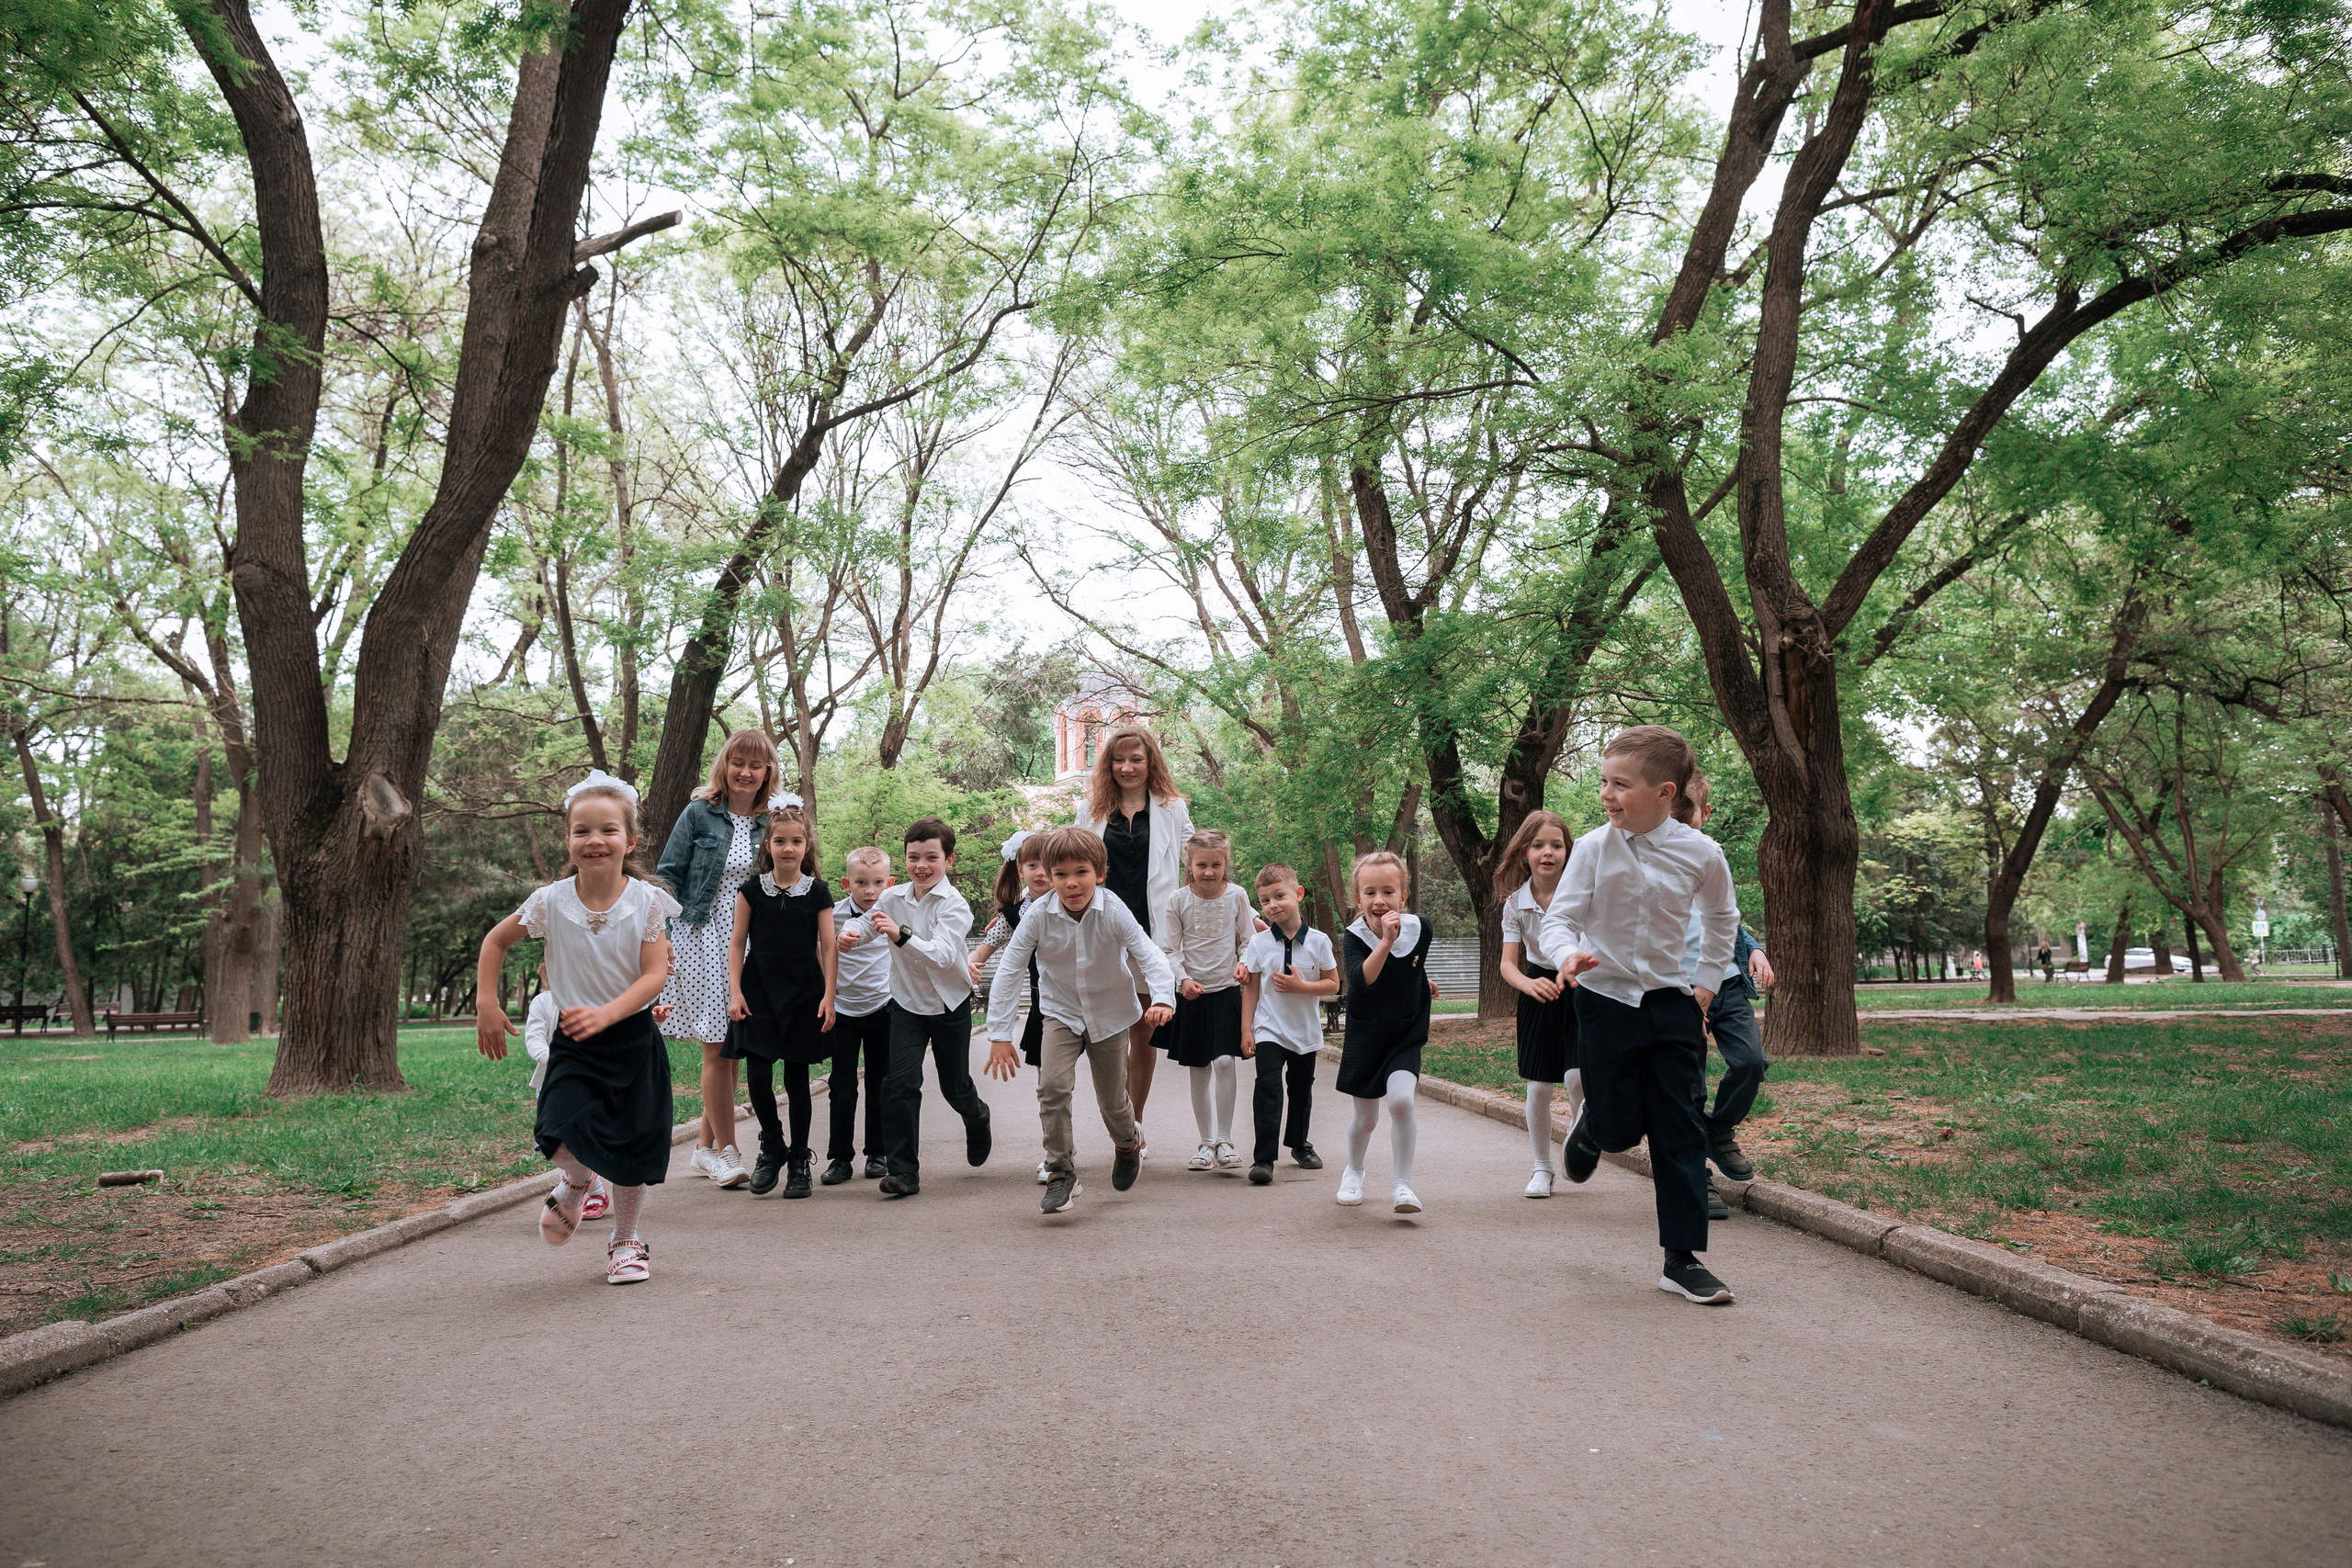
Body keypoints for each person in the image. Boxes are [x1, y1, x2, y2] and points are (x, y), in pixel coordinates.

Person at [1544, 725, 1739, 1306]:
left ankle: (1681, 1259)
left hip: (1672, 1003)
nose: (1606, 794)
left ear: (1664, 791)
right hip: (1604, 1001)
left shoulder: (1702, 853)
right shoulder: (1593, 849)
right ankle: (1596, 1126)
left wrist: (1706, 983)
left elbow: (1723, 919)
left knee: (1681, 1127)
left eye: (1620, 785)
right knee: (1624, 1126)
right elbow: (1559, 919)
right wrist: (1566, 955)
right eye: (1603, 781)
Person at [476, 771, 679, 1286]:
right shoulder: (550, 901)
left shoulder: (647, 902)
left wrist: (611, 1012)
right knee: (555, 1129)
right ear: (568, 840)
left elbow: (656, 973)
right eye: (582, 831)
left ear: (629, 840)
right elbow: (495, 942)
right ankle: (579, 1178)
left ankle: (626, 1241)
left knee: (633, 1149)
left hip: (632, 1042)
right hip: (575, 1042)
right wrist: (485, 1000)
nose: (595, 841)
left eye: (608, 830)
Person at [982, 827, 1173, 1215]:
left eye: (1081, 873)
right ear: (1049, 878)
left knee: (1112, 1102)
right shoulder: (1037, 914)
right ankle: (1060, 1170)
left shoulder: (1114, 909)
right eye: (1061, 875)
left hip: (1110, 1013)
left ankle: (1127, 1143)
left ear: (1099, 873)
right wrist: (999, 1033)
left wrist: (1164, 998)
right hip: (1061, 1012)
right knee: (1052, 1088)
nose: (1071, 884)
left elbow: (1149, 954)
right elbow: (1010, 968)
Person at [654, 728, 782, 1190]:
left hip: (753, 937)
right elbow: (667, 877)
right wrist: (660, 937)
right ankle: (728, 1152)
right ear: (724, 766)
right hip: (702, 934)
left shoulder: (775, 819)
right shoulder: (699, 814)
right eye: (738, 763)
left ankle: (704, 1150)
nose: (746, 772)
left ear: (768, 771)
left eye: (756, 765)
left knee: (734, 1048)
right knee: (717, 1045)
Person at [1073, 725, 1193, 1156]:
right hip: (1101, 933)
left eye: (1136, 759)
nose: (1127, 767)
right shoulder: (1090, 809)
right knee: (1107, 1037)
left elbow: (1199, 865)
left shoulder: (1173, 809)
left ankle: (1133, 1131)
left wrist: (1248, 913)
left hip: (1150, 935)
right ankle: (1116, 1124)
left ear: (1150, 763)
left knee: (1144, 1032)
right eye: (1118, 760)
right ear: (1108, 765)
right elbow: (1071, 864)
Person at [868, 817, 991, 1197]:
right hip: (906, 1004)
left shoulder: (955, 906)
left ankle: (977, 1115)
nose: (921, 866)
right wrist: (848, 936)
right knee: (900, 1083)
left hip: (949, 1003)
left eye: (931, 858)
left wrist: (901, 934)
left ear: (948, 860)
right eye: (913, 857)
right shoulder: (892, 897)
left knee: (954, 1087)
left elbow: (940, 955)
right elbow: (866, 922)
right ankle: (904, 1172)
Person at [1668, 774, 1774, 1214]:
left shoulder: (1712, 854)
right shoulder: (1649, 855)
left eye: (1683, 811)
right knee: (1687, 1085)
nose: (1674, 820)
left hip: (1724, 980)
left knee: (1751, 1061)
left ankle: (1719, 1130)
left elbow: (1722, 916)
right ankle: (1698, 1179)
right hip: (1675, 986)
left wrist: (1754, 949)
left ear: (1704, 813)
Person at [724, 796, 837, 1199]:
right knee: (757, 1071)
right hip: (758, 990)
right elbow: (737, 944)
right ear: (767, 845)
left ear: (806, 847)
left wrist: (829, 995)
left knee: (797, 1078)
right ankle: (772, 1144)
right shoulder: (752, 890)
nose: (788, 849)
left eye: (796, 842)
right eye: (780, 841)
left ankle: (799, 1160)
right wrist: (734, 991)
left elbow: (828, 946)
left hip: (804, 991)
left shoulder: (818, 892)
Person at [1334, 851, 1440, 1214]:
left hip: (1405, 1033)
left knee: (1401, 1102)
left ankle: (1403, 1185)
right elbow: (1362, 983)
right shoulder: (1353, 938)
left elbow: (1411, 968)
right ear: (1358, 898)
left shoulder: (1421, 927)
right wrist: (1386, 942)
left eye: (1388, 892)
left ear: (1403, 897)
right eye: (1370, 893)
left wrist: (1422, 982)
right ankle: (1354, 1170)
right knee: (1365, 1120)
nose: (1379, 901)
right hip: (1366, 1037)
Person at [1161, 829, 1257, 1172]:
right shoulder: (1178, 900)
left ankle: (1225, 1139)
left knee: (1226, 1063)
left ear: (1225, 863)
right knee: (1199, 1067)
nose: (1209, 872)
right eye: (1202, 865)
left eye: (1216, 864)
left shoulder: (1237, 896)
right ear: (1189, 863)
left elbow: (1249, 939)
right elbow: (1170, 949)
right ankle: (1204, 1143)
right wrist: (1182, 979)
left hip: (1226, 991)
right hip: (1193, 994)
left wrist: (1244, 963)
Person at [1494, 809, 1578, 1199]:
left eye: (1556, 845)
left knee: (1578, 1078)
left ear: (1568, 851)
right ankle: (1541, 1167)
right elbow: (1508, 964)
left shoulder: (1582, 893)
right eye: (1539, 845)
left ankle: (1579, 1148)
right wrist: (1529, 985)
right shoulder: (1515, 903)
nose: (1548, 852)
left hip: (1582, 986)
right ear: (1524, 852)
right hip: (1538, 991)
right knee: (1539, 1088)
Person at [1238, 863, 1337, 1185]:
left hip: (1305, 1032)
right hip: (1269, 1029)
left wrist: (1303, 987)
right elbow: (1251, 986)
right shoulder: (1259, 943)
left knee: (1300, 1089)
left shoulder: (1319, 941)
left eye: (1279, 896)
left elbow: (1333, 984)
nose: (1272, 905)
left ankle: (1299, 1144)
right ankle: (1263, 1158)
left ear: (1298, 894)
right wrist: (1247, 1029)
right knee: (1267, 1087)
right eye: (1265, 900)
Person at [968, 831, 1055, 1183]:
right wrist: (968, 966)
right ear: (1020, 870)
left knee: (1109, 1084)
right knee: (1049, 1086)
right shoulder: (1013, 915)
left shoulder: (1077, 900)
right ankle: (1056, 1153)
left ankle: (1126, 1138)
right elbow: (982, 952)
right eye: (1032, 865)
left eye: (1049, 865)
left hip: (1091, 1002)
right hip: (1046, 1008)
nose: (1041, 873)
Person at [824, 847, 897, 1185]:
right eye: (861, 882)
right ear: (846, 883)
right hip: (843, 1012)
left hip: (884, 1007)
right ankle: (840, 1157)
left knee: (881, 1083)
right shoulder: (833, 916)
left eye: (878, 882)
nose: (870, 890)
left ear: (890, 882)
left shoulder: (895, 913)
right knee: (842, 1085)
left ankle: (877, 1153)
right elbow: (820, 954)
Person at [523, 966, 606, 1221]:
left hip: (589, 1082)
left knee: (582, 1139)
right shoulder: (543, 1002)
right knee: (553, 1142)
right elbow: (534, 1037)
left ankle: (596, 1192)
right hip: (551, 1083)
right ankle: (579, 1178)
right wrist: (551, 1058)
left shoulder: (596, 1002)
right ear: (546, 972)